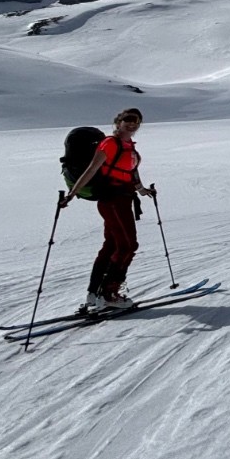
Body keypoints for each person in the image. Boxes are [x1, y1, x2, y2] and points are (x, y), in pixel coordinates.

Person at [60, 107, 157, 312]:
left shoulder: (128, 146)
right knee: (128, 246)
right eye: (128, 120)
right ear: (118, 122)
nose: (132, 124)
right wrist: (72, 193)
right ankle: (109, 294)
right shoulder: (110, 143)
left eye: (136, 121)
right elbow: (92, 169)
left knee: (112, 245)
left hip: (122, 198)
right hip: (113, 199)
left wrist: (141, 189)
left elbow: (131, 171)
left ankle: (93, 294)